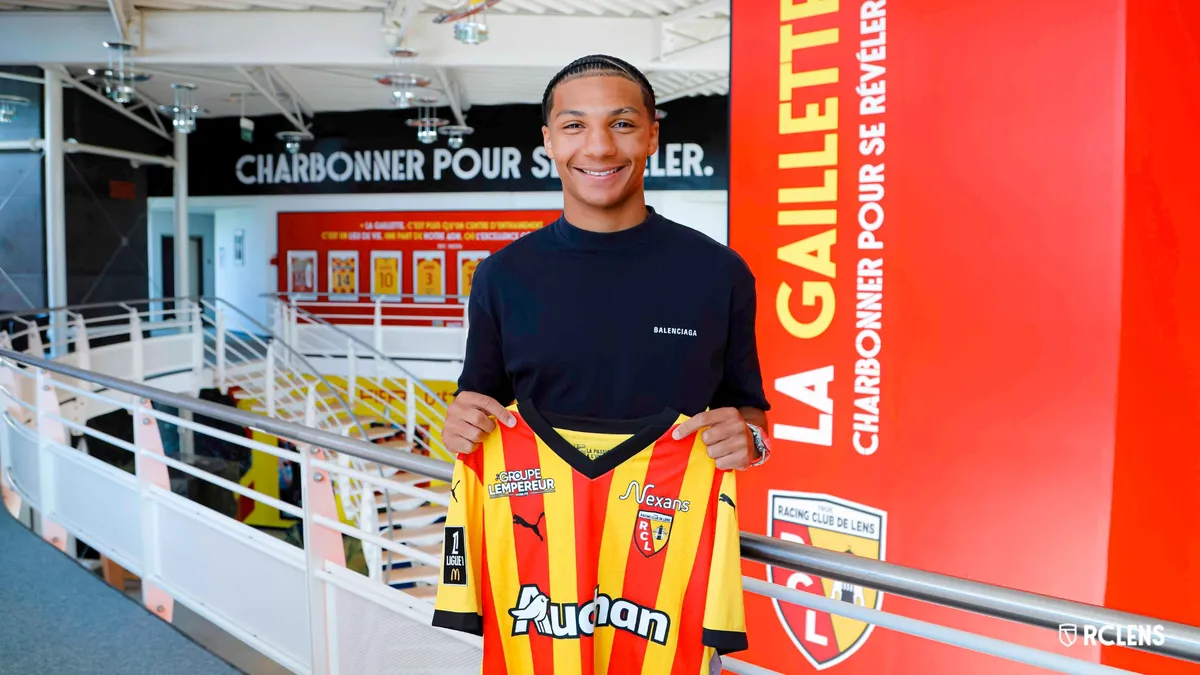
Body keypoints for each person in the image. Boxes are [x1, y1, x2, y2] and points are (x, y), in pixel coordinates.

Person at [441, 54, 771, 469]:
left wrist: (751, 441)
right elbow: (476, 405)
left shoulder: (720, 273)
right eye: (574, 126)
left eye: (622, 124)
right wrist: (460, 424)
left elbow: (748, 412)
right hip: (541, 510)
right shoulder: (501, 276)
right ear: (549, 141)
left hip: (667, 509)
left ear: (652, 136)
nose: (599, 147)